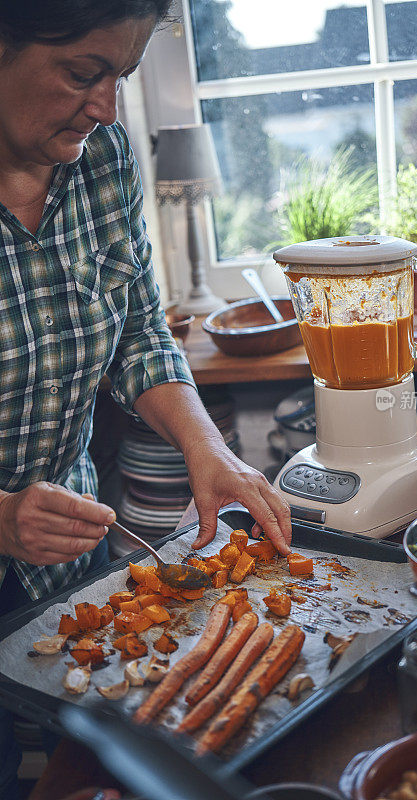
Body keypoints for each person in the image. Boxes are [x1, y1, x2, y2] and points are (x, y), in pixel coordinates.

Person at [0, 1, 292, 796]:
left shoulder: (104, 158)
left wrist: (210, 449)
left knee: (100, 765)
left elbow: (138, 334)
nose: (106, 107)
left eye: (121, 77)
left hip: (74, 550)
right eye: (82, 74)